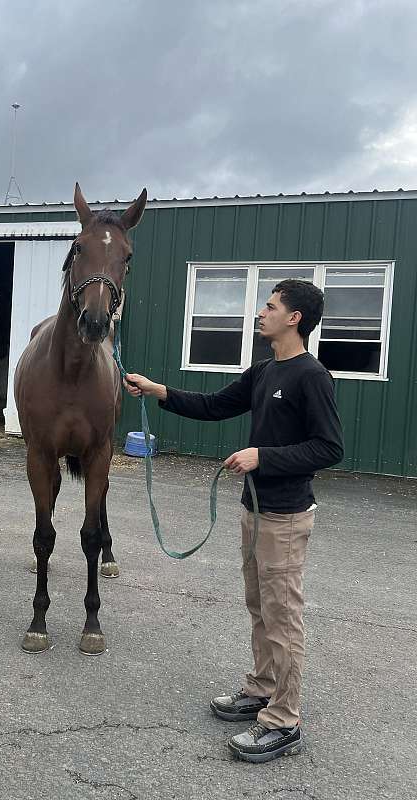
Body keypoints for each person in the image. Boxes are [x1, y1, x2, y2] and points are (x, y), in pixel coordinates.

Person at [124, 279, 343, 763]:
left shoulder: (312, 376)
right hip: (254, 510)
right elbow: (215, 406)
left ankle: (284, 722)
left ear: (294, 318)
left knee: (283, 620)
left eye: (270, 306)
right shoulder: (265, 372)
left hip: (286, 517)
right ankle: (263, 689)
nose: (260, 313)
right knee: (260, 608)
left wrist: (262, 456)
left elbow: (329, 447)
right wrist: (156, 389)